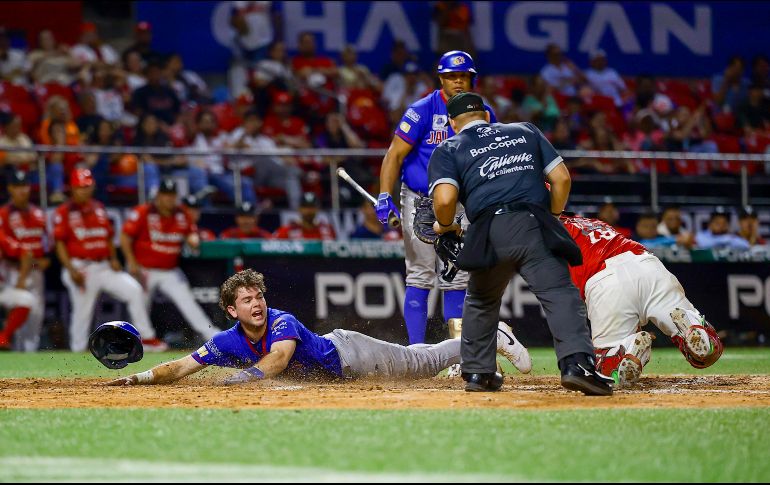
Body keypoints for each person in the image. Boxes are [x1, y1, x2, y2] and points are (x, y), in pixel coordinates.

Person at [428, 92, 612, 395]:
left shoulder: (449, 147)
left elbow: (445, 200)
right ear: (487, 115)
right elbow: (562, 179)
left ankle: (478, 373)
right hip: (533, 223)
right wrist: (551, 215)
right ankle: (577, 365)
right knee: (559, 293)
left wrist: (446, 227)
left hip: (488, 229)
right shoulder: (525, 130)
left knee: (481, 300)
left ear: (452, 123)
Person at [104, 269, 531, 386]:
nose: (257, 304)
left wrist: (228, 384)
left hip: (352, 355)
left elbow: (277, 361)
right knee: (426, 361)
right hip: (343, 370)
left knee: (424, 362)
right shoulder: (228, 340)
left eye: (259, 296)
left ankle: (491, 334)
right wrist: (136, 379)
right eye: (247, 300)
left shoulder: (281, 321)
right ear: (232, 310)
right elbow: (181, 366)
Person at [377, 50, 496, 345]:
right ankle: (418, 352)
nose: (458, 82)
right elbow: (394, 154)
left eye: (463, 77)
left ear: (472, 80)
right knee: (419, 274)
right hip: (419, 200)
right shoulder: (421, 110)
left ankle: (457, 354)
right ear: (441, 78)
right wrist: (384, 195)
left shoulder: (483, 112)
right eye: (452, 76)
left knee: (457, 275)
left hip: (462, 202)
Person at [558, 212, 724, 386]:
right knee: (706, 354)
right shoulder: (589, 221)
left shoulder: (541, 229)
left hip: (605, 281)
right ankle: (691, 324)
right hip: (649, 265)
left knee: (607, 373)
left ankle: (625, 348)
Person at [54, 168, 167, 352]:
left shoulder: (98, 207)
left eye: (88, 186)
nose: (85, 190)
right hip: (80, 266)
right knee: (83, 310)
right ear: (72, 188)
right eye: (81, 187)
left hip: (103, 266)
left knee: (134, 290)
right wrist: (71, 269)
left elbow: (107, 236)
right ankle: (78, 349)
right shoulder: (64, 211)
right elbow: (59, 244)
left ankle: (146, 337)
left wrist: (113, 258)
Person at [120, 179, 218, 342]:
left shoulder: (182, 213)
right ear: (158, 196)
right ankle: (142, 339)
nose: (169, 199)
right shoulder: (143, 211)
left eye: (172, 195)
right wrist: (131, 262)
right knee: (139, 304)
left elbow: (190, 233)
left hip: (169, 270)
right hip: (144, 268)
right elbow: (125, 237)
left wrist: (192, 239)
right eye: (166, 195)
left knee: (187, 301)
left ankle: (212, 335)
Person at [0, 171, 47, 351]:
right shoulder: (4, 214)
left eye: (25, 186)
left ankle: (29, 356)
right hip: (13, 270)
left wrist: (39, 261)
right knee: (20, 309)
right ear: (10, 189)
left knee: (36, 316)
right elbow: (18, 251)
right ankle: (12, 347)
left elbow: (47, 251)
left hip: (35, 271)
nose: (22, 190)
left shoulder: (39, 214)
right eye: (18, 186)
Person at [229, 109, 302, 209]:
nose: (254, 124)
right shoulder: (238, 134)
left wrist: (286, 161)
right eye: (250, 121)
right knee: (263, 159)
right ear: (244, 122)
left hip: (269, 176)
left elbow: (275, 160)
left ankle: (296, 210)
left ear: (261, 123)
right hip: (247, 175)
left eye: (256, 121)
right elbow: (229, 148)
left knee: (291, 178)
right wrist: (242, 139)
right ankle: (303, 174)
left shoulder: (265, 140)